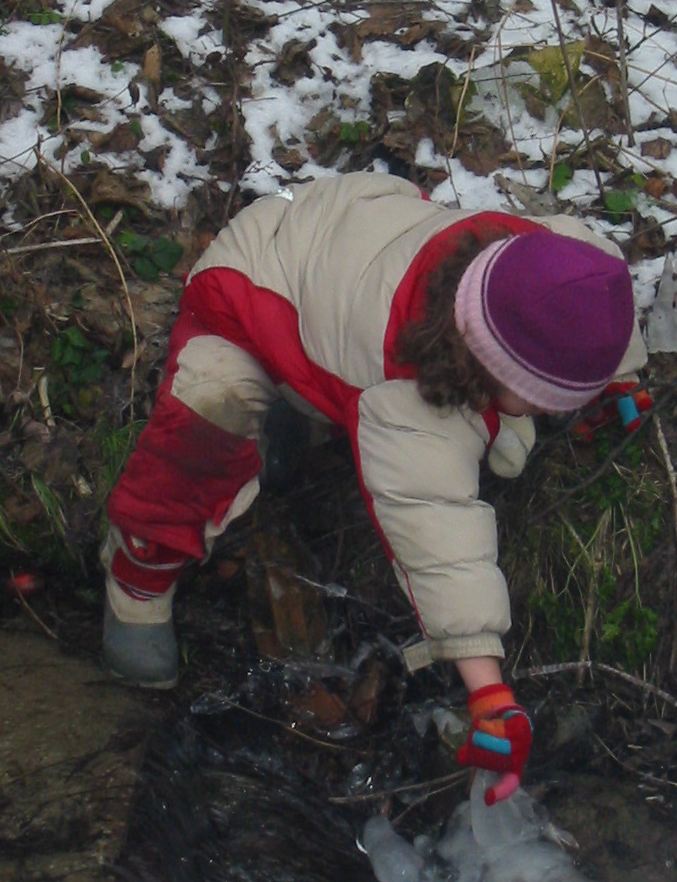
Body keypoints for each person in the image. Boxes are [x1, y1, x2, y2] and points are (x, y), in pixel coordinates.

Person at [100, 171, 646, 797]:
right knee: (202, 429)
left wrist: (620, 380)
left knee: (494, 436)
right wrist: (489, 690)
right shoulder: (403, 393)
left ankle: (306, 404)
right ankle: (138, 572)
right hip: (250, 288)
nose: (551, 412)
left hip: (353, 224)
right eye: (541, 397)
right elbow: (438, 537)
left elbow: (598, 295)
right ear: (487, 360)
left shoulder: (543, 258)